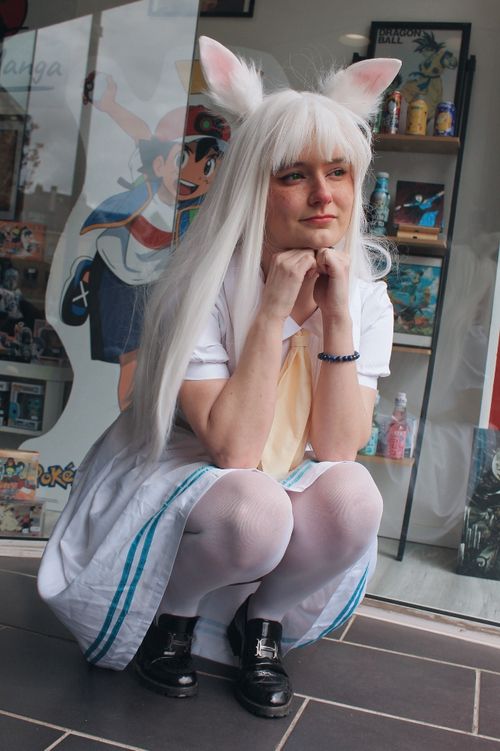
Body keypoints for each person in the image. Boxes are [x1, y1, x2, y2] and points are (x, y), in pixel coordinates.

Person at [38, 37, 401, 719]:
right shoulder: (200, 287)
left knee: (356, 500)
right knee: (254, 508)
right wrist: (270, 311)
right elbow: (233, 449)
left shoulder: (367, 298)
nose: (324, 195)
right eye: (293, 175)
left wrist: (338, 318)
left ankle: (261, 622)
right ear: (253, 187)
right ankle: (171, 616)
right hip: (190, 466)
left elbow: (338, 449)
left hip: (282, 466)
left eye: (339, 172)